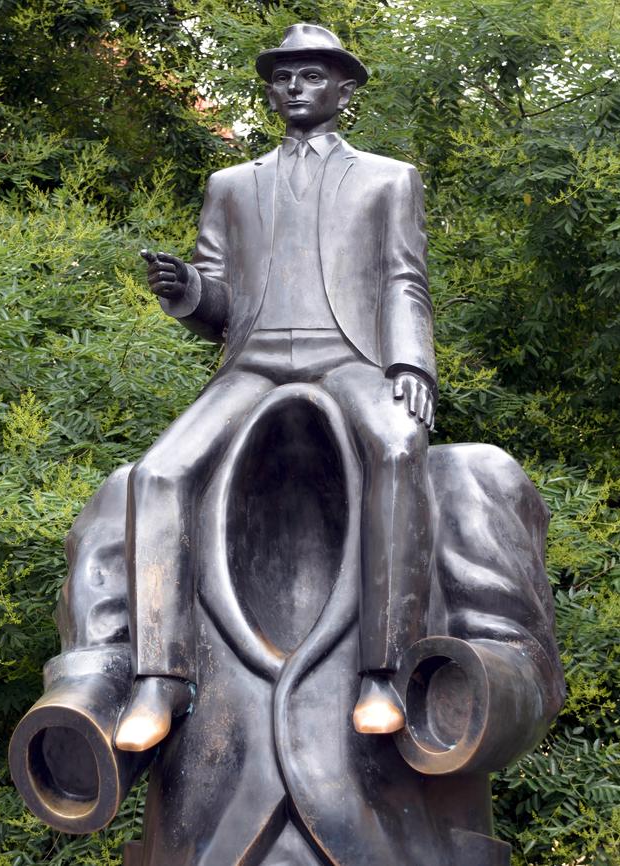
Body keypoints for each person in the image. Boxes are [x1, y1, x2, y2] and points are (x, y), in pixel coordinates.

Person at [115, 23, 437, 752]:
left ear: (345, 90)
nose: (294, 88)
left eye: (313, 76)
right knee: (159, 472)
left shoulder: (389, 178)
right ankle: (159, 681)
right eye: (282, 77)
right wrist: (188, 290)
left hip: (348, 358)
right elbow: (219, 300)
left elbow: (402, 281)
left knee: (395, 448)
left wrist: (411, 365)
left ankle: (384, 672)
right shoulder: (232, 185)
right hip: (253, 362)